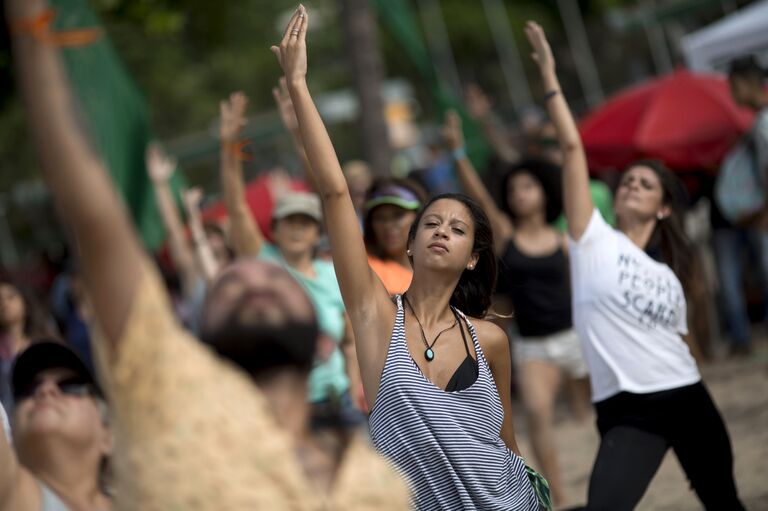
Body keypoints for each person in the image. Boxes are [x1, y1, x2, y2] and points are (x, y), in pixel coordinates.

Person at [7, 0, 408, 507]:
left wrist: (299, 88)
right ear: (201, 335)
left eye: (274, 282)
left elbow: (334, 196)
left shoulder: (379, 483)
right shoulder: (165, 390)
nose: (254, 279)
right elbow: (97, 219)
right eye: (232, 284)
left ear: (325, 341)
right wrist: (32, 33)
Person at [271, 7, 545, 509]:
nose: (442, 231)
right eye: (432, 224)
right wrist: (299, 86)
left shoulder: (489, 340)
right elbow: (334, 193)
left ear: (471, 259)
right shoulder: (374, 315)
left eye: (457, 229)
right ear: (410, 245)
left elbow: (507, 442)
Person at [523, 20, 745, 510]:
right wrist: (550, 78)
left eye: (645, 185)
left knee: (725, 503)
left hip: (687, 395)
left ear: (663, 208)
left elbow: (681, 342)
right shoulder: (592, 238)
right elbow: (572, 149)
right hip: (629, 411)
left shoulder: (668, 274)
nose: (631, 186)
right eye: (628, 180)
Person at [444, 110, 588, 507]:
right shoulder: (507, 233)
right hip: (535, 345)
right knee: (537, 413)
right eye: (513, 189)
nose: (518, 194)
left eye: (527, 186)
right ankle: (559, 495)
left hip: (575, 338)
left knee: (593, 412)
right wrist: (458, 153)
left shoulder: (562, 240)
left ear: (544, 192)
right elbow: (480, 197)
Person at [218, 91, 364, 426]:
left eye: (305, 222)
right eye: (289, 221)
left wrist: (356, 388)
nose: (297, 228)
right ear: (274, 229)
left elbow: (350, 342)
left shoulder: (332, 274)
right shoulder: (265, 265)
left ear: (317, 232)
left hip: (341, 403)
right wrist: (230, 147)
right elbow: (236, 207)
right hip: (289, 410)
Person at [0, 341, 113, 511]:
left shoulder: (141, 499)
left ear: (108, 435)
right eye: (28, 389)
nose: (45, 390)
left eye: (69, 385)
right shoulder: (9, 495)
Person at [713, 55, 768, 356]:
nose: (732, 94)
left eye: (733, 86)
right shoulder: (758, 123)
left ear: (746, 83)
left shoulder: (764, 123)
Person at [363, 178, 427, 295]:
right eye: (379, 217)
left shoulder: (441, 264)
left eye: (398, 215)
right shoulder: (363, 267)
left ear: (420, 217)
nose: (388, 225)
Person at [1, 279, 57, 412]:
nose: (4, 303)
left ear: (25, 303)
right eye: (0, 300)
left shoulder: (43, 342)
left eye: (10, 297)